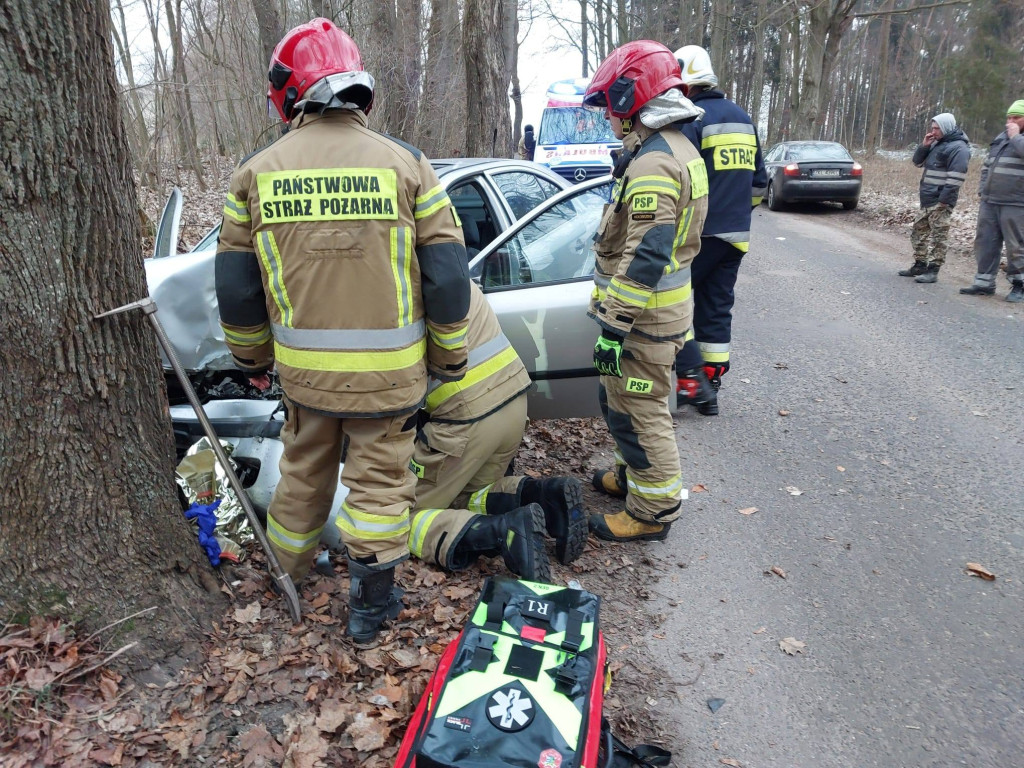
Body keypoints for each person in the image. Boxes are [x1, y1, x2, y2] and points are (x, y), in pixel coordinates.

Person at [215, 19, 471, 643]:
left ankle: (285, 577)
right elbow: (446, 275)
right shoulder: (408, 166)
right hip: (389, 379)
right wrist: (451, 356)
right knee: (381, 486)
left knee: (303, 474)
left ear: (288, 91)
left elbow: (237, 288)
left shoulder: (256, 173)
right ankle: (370, 606)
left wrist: (250, 357)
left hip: (306, 380)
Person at [582, 41, 708, 542]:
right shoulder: (676, 149)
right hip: (659, 317)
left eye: (609, 107)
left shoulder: (655, 164)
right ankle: (630, 475)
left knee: (641, 408)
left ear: (628, 100)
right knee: (620, 399)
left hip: (644, 321)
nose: (608, 118)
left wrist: (613, 326)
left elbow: (646, 256)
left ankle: (652, 512)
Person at [407, 281, 588, 579]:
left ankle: (503, 532)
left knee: (396, 516)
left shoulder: (396, 292)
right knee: (467, 498)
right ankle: (548, 500)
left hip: (466, 421)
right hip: (514, 403)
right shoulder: (452, 272)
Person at [671, 45, 767, 415]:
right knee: (715, 307)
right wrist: (740, 213)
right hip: (736, 236)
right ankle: (711, 383)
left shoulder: (694, 120)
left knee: (671, 301)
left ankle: (693, 382)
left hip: (701, 236)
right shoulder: (743, 118)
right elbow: (759, 182)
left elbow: (685, 179)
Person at [960, 100, 1024, 302]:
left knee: (1016, 246)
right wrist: (982, 190)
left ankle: (1020, 285)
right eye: (1009, 117)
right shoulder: (1001, 139)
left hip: (1016, 202)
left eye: (1016, 118)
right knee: (986, 241)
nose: (1010, 122)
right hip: (990, 200)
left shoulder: (1014, 138)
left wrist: (1015, 136)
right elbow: (988, 166)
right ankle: (984, 282)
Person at [899, 112, 970, 283]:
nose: (934, 131)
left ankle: (933, 270)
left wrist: (944, 201)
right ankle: (920, 264)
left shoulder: (959, 148)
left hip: (941, 200)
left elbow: (956, 178)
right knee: (918, 231)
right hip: (927, 198)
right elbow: (917, 162)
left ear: (946, 128)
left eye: (937, 128)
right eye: (932, 128)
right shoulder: (936, 144)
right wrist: (924, 146)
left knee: (939, 236)